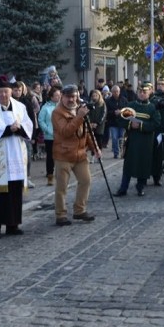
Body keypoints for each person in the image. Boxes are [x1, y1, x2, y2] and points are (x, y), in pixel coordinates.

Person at [0, 76, 33, 239]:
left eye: (6, 92)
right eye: (1, 92)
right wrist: (9, 129)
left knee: (14, 192)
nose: (4, 95)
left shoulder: (20, 106)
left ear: (11, 92)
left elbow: (29, 125)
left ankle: (12, 224)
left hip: (16, 155)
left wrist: (20, 128)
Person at [52, 85, 100, 226]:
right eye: (68, 97)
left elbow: (88, 131)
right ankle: (60, 215)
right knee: (62, 187)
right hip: (63, 154)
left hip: (80, 154)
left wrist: (95, 148)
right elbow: (65, 131)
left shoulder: (80, 108)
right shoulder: (57, 112)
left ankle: (79, 210)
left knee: (86, 181)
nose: (71, 100)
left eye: (74, 96)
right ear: (62, 96)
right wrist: (79, 116)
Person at [115, 82, 160, 197]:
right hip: (132, 140)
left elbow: (156, 124)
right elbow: (121, 120)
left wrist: (141, 126)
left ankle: (140, 187)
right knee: (128, 166)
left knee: (143, 165)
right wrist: (130, 124)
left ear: (149, 93)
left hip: (146, 142)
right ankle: (123, 188)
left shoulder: (152, 108)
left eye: (144, 92)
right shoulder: (130, 105)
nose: (141, 94)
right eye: (140, 91)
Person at [37, 86, 61, 186]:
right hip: (50, 137)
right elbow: (41, 120)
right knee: (50, 157)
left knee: (61, 157)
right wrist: (47, 130)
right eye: (56, 95)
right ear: (51, 97)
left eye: (60, 95)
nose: (59, 97)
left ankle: (60, 176)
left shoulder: (62, 106)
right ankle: (50, 175)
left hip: (61, 136)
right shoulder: (45, 107)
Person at [105, 85, 128, 159]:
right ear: (111, 92)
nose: (116, 93)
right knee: (114, 138)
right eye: (114, 92)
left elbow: (127, 110)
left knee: (121, 138)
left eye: (117, 91)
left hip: (122, 122)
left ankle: (122, 152)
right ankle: (116, 153)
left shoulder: (124, 100)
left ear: (119, 92)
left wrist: (121, 112)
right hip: (113, 123)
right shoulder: (108, 101)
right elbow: (106, 112)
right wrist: (114, 112)